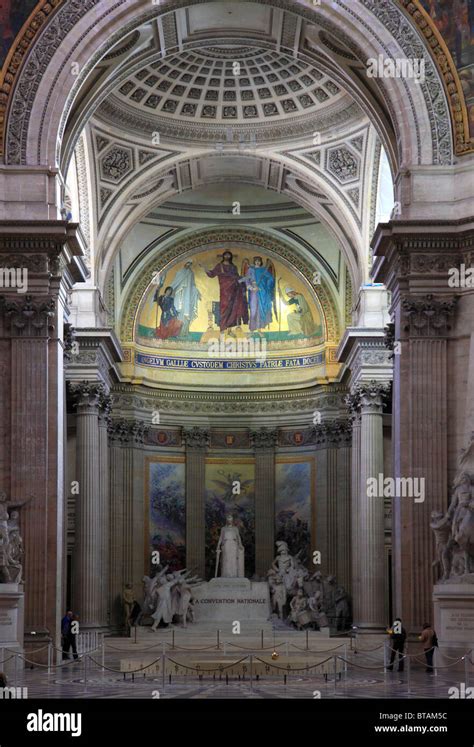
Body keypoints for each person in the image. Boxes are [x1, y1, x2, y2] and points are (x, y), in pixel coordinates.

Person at [200, 251, 249, 333]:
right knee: (224, 307)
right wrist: (205, 267)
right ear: (223, 256)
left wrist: (243, 279)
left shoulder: (233, 267)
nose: (227, 256)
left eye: (229, 255)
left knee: (233, 307)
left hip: (234, 289)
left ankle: (229, 329)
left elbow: (237, 277)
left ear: (231, 257)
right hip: (224, 290)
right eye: (226, 255)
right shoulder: (219, 266)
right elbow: (212, 274)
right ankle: (223, 328)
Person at [239, 256, 275, 332]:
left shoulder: (263, 270)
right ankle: (252, 329)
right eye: (256, 261)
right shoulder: (251, 270)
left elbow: (271, 278)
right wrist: (251, 288)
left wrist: (266, 286)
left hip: (262, 292)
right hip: (254, 292)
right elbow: (247, 280)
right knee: (253, 310)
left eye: (259, 261)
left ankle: (259, 330)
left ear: (260, 262)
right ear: (254, 261)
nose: (257, 262)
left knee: (261, 311)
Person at [170, 260, 201, 337]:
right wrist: (171, 291)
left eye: (190, 264)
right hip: (179, 296)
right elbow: (175, 283)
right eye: (187, 263)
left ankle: (184, 333)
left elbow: (193, 284)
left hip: (188, 297)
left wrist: (196, 292)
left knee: (186, 314)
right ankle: (175, 332)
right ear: (184, 263)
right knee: (178, 313)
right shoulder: (180, 272)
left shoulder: (191, 273)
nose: (188, 265)